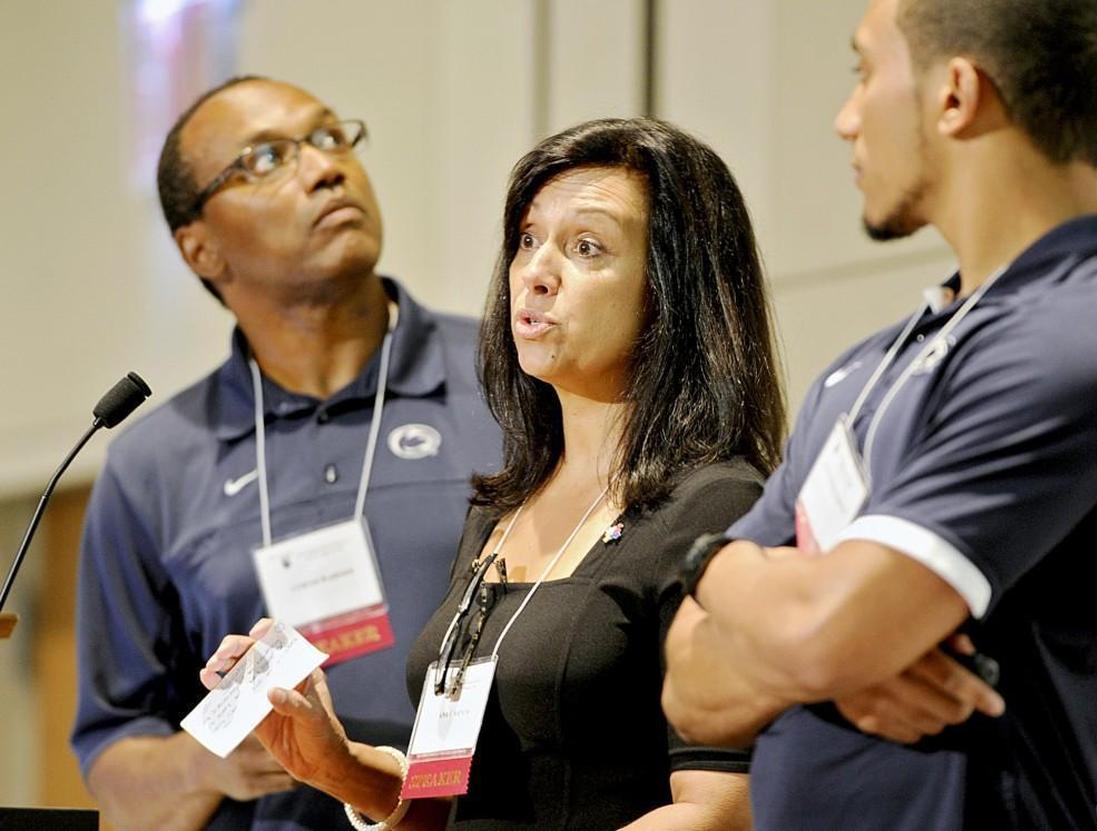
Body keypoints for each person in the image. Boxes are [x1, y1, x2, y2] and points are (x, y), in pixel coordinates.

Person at [201, 117, 787, 829]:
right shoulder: (500, 511)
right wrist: (340, 764)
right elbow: (452, 803)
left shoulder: (716, 503)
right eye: (529, 239)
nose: (536, 272)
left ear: (673, 291)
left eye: (586, 247)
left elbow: (724, 809)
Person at [662, 0, 1097, 828]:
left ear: (954, 93)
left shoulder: (1092, 329)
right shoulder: (862, 368)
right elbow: (688, 688)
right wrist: (822, 648)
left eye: (863, 70)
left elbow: (817, 628)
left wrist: (735, 584)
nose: (847, 119)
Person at [70, 76, 501, 830]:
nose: (326, 166)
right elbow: (116, 770)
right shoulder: (153, 465)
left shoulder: (511, 381)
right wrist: (209, 760)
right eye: (267, 157)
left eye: (333, 136)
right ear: (199, 247)